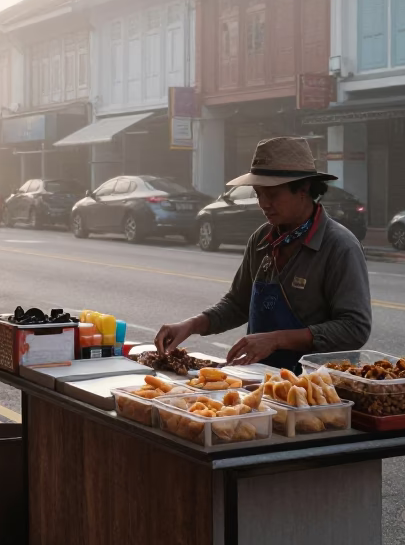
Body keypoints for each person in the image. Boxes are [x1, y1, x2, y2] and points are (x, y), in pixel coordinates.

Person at [154, 137, 371, 370]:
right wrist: (191, 325)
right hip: (261, 382)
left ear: (304, 189)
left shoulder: (339, 246)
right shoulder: (261, 239)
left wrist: (276, 340)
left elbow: (354, 328)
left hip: (317, 387)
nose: (264, 204)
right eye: (259, 194)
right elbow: (237, 304)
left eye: (273, 195)